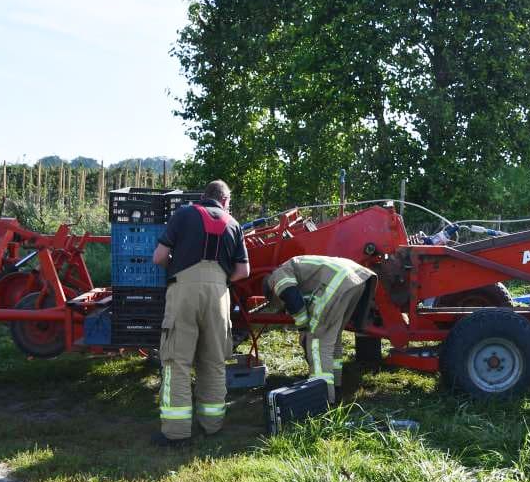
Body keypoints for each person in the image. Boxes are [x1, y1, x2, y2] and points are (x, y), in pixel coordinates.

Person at [150, 180, 249, 447]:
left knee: (177, 362)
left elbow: (159, 257)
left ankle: (176, 433)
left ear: (203, 196)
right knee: (214, 362)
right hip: (219, 297)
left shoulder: (183, 214)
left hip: (183, 292)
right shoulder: (233, 223)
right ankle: (212, 426)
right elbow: (243, 272)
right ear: (225, 200)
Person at [263, 255, 376, 403]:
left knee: (317, 341)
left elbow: (291, 297)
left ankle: (323, 400)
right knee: (332, 339)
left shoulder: (276, 277)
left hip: (338, 283)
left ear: (271, 290)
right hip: (357, 278)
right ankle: (336, 387)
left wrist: (303, 328)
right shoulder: (293, 266)